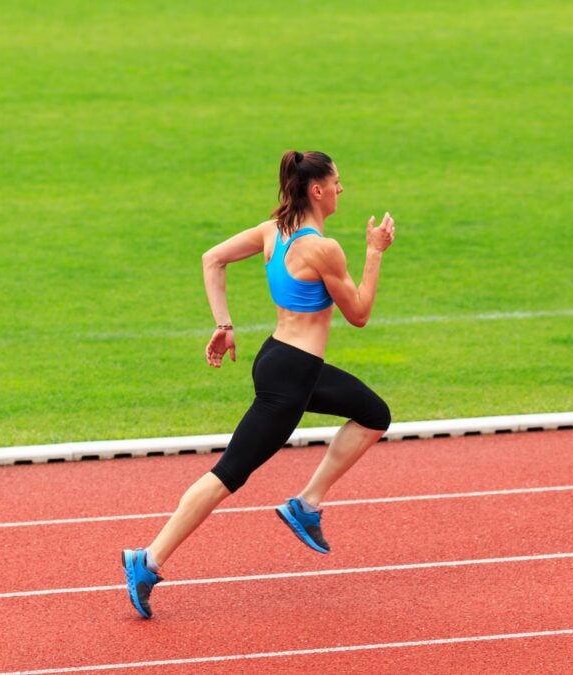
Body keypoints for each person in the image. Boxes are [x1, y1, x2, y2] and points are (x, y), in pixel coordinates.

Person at [121, 150, 396, 619]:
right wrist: (374, 253)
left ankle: (306, 504)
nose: (341, 190)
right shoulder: (322, 248)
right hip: (289, 377)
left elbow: (213, 259)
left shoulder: (274, 232)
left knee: (374, 415)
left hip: (281, 360)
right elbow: (360, 315)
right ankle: (147, 560)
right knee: (229, 473)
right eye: (337, 183)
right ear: (317, 190)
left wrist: (224, 324)